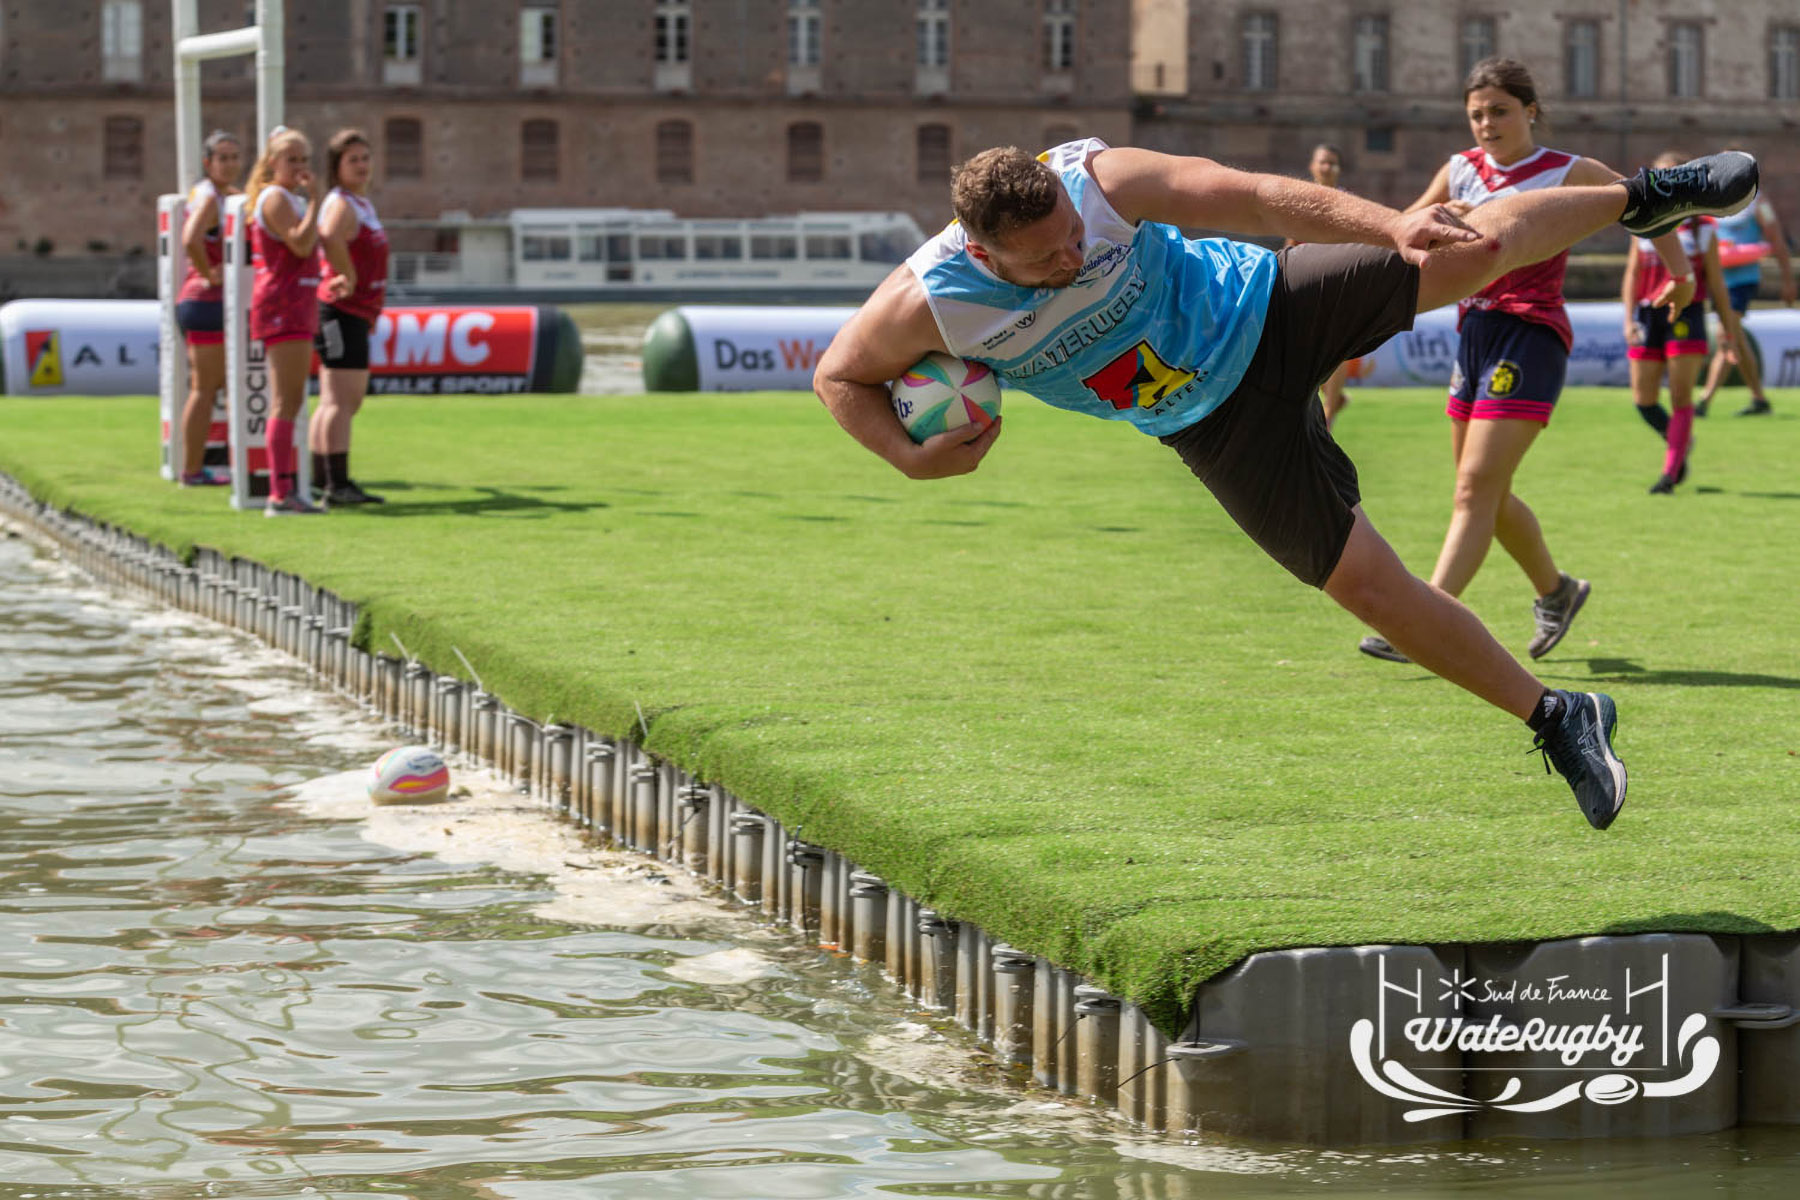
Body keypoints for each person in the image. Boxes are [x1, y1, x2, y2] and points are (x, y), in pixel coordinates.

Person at [812, 130, 1758, 831]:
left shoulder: (1099, 184)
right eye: (1048, 257)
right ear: (983, 254)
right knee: (1369, 588)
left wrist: (1396, 225)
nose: (1073, 255)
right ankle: (1560, 719)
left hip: (1263, 307)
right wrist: (910, 457)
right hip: (1208, 424)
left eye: (1072, 235)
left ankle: (1643, 196)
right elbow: (838, 378)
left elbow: (1257, 197)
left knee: (1463, 253)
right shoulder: (930, 305)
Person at [1358, 59, 1696, 669]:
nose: (1487, 124)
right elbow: (1401, 230)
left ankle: (1422, 621)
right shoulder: (1459, 168)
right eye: (1477, 114)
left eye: (1500, 111)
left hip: (1532, 334)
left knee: (1472, 488)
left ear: (1530, 111)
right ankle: (1557, 591)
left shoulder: (1569, 171)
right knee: (1485, 490)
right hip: (1476, 332)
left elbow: (1647, 206)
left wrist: (1681, 272)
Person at [1621, 153, 1743, 494]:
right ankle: (1678, 440)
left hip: (1687, 313)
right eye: (1659, 178)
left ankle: (1670, 474)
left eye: (1671, 177)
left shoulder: (1703, 228)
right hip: (1648, 313)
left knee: (1680, 397)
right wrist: (1628, 318)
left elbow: (1716, 282)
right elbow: (1632, 274)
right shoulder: (1641, 223)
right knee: (1644, 400)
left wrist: (1727, 327)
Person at [245, 126, 346, 516]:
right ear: (273, 163)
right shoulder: (275, 197)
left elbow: (302, 253)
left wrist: (326, 279)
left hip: (295, 302)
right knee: (286, 401)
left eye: (305, 159)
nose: (301, 167)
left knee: (292, 399)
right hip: (282, 305)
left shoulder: (288, 198)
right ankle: (279, 493)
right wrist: (319, 197)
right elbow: (300, 243)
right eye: (293, 159)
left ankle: (284, 491)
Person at [310, 128, 390, 506]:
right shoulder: (340, 203)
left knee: (336, 400)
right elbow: (327, 234)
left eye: (365, 158)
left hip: (354, 312)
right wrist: (348, 274)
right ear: (336, 167)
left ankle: (318, 477)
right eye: (352, 160)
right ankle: (336, 484)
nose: (361, 165)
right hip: (341, 310)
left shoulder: (360, 203)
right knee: (342, 401)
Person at [172, 129, 243, 487]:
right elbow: (189, 239)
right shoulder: (210, 200)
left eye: (234, 157)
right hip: (206, 302)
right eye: (223, 158)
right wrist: (208, 273)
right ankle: (194, 470)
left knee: (215, 387)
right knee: (208, 389)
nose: (230, 164)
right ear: (208, 162)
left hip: (198, 303)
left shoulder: (212, 194)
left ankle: (210, 466)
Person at [1697, 172, 1795, 417]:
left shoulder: (1758, 203)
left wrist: (1788, 279)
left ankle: (1704, 400)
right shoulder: (1713, 203)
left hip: (1743, 280)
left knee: (1726, 335)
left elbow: (1776, 239)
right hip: (1718, 280)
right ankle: (1759, 399)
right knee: (1736, 337)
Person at [1286, 144, 1354, 429]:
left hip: (1338, 282)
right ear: (1312, 167)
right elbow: (1290, 244)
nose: (1327, 167)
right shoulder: (1300, 201)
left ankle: (1329, 410)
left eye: (1333, 163)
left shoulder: (1348, 202)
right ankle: (1332, 399)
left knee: (1335, 350)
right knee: (1308, 351)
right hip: (1308, 281)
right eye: (1323, 162)